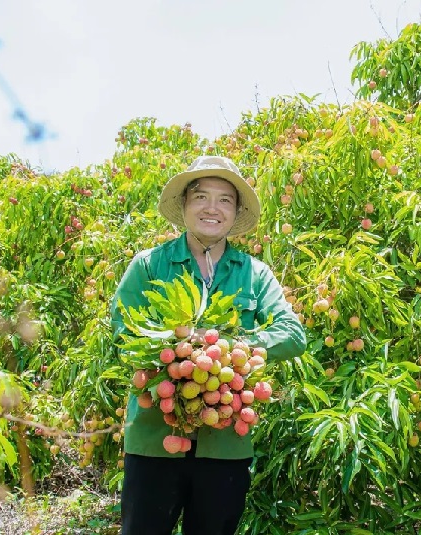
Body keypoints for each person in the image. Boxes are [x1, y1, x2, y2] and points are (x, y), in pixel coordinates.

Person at [110, 155, 307, 535]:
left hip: (225, 442)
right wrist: (175, 344)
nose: (212, 208)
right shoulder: (149, 266)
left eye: (224, 200)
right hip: (155, 436)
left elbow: (293, 335)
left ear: (235, 213)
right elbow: (124, 331)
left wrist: (230, 345)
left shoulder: (255, 273)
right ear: (184, 206)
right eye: (201, 197)